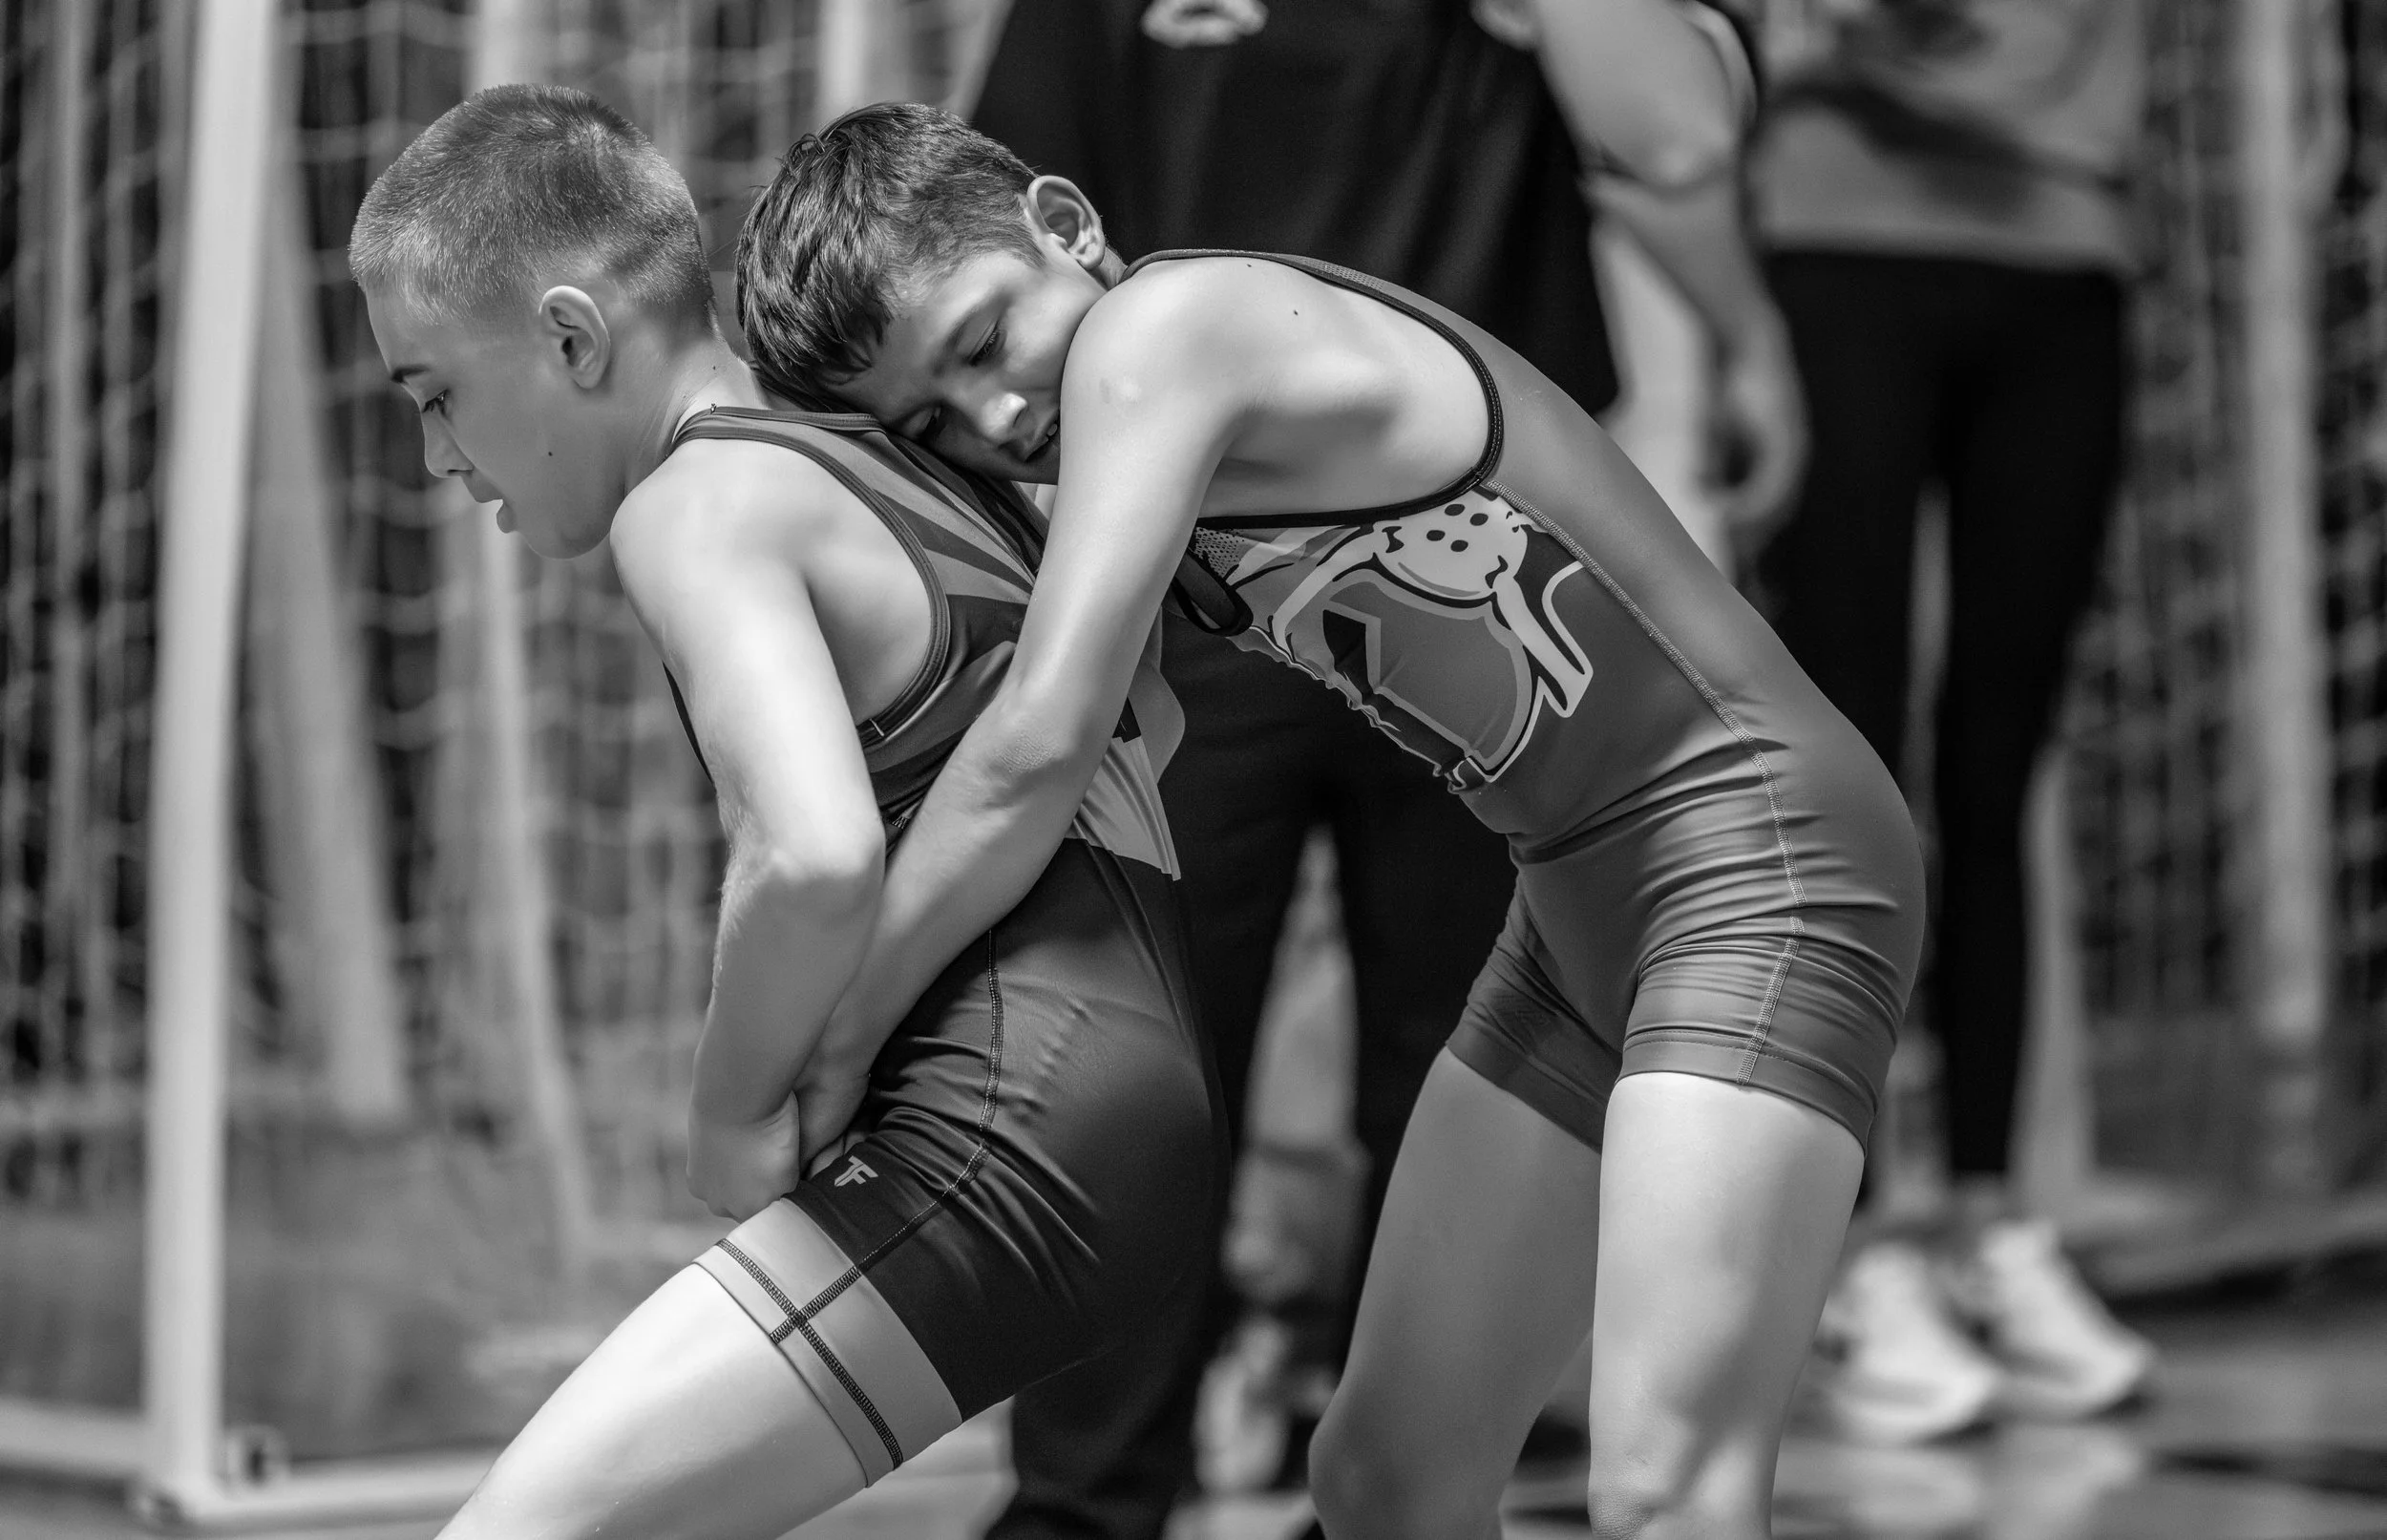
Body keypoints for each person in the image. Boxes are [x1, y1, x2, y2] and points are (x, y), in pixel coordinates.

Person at [738, 105, 1924, 1539]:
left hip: (1758, 864)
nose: (992, 420)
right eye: (930, 419)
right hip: (1573, 913)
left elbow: (1037, 748)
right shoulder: (1113, 445)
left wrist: (844, 1027)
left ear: (1063, 224)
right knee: (1384, 1483)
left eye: (984, 343)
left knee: (1669, 1489)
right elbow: (1124, 746)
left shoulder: (1168, 331)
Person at [966, 5, 1802, 1531]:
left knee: (1455, 1056)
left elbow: (1677, 136)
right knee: (1138, 1065)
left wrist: (1743, 336)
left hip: (1473, 576)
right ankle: (1089, 1505)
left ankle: (1392, 1481)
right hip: (1194, 587)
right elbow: (997, 256)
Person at [349, 85, 1220, 1540]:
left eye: (438, 394)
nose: (441, 460)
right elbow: (1157, 717)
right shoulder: (896, 460)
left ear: (570, 338)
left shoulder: (692, 506)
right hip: (1133, 1100)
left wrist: (729, 1108)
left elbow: (812, 853)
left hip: (1017, 1122)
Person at [1748, 0, 2156, 1444]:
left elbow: (2015, 68)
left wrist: (1890, 55)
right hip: (1837, 251)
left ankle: (1991, 1224)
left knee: (1999, 766)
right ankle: (1849, 1254)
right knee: (1843, 774)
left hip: (2061, 263)